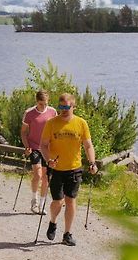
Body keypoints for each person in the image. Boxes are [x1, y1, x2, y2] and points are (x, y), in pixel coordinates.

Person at [40, 93, 97, 246]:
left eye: (67, 107)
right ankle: (53, 222)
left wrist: (92, 162)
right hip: (56, 168)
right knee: (58, 201)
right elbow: (43, 145)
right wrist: (48, 160)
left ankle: (67, 234)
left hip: (74, 168)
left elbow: (88, 145)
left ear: (73, 106)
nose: (63, 110)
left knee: (71, 201)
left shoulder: (81, 123)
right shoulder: (51, 123)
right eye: (61, 107)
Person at [20, 90, 57, 214]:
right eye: (41, 104)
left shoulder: (53, 112)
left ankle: (42, 204)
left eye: (46, 103)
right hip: (34, 147)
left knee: (46, 177)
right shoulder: (29, 113)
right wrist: (26, 146)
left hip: (47, 149)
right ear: (37, 102)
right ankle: (34, 201)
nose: (44, 106)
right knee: (38, 174)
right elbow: (24, 132)